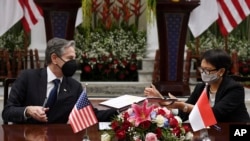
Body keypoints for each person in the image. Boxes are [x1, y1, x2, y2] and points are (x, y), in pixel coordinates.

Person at [2, 37, 118, 124]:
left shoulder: (74, 86)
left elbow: (91, 115)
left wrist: (120, 112)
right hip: (27, 136)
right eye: (70, 58)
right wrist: (28, 110)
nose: (74, 63)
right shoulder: (28, 77)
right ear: (54, 58)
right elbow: (7, 112)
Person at [144, 49, 250, 122]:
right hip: (212, 131)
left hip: (234, 131)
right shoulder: (201, 87)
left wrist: (181, 105)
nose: (203, 73)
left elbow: (214, 114)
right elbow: (183, 114)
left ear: (221, 71)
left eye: (207, 70)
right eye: (202, 69)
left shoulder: (234, 89)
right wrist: (161, 99)